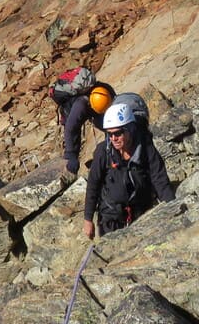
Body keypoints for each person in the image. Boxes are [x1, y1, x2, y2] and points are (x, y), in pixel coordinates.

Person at [83, 102, 174, 237]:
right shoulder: (103, 152)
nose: (114, 138)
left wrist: (172, 207)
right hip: (110, 218)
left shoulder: (145, 148)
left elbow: (159, 179)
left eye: (118, 133)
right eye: (110, 134)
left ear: (130, 129)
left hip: (142, 213)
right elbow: (93, 184)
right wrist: (88, 219)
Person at [61, 82, 115, 175]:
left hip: (96, 108)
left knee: (109, 127)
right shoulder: (80, 106)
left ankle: (110, 153)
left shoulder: (107, 92)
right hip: (70, 113)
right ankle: (72, 173)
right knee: (74, 142)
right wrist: (71, 155)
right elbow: (70, 130)